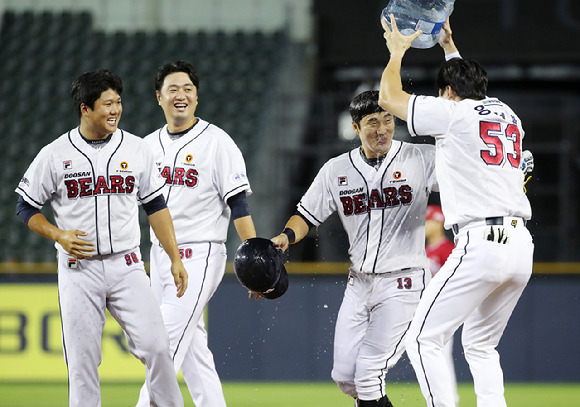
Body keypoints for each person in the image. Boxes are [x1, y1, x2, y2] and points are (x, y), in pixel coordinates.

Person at [379, 16, 534, 407]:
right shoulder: (507, 113)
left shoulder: (453, 114)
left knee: (421, 339)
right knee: (481, 346)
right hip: (521, 246)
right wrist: (450, 47)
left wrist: (397, 52)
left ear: (447, 92)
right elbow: (468, 88)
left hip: (482, 242)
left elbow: (388, 98)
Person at [15, 69, 188, 407]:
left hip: (127, 265)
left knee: (157, 347)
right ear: (85, 109)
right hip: (79, 269)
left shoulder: (137, 149)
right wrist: (58, 234)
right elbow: (25, 206)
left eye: (118, 102)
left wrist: (175, 257)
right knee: (82, 362)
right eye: (107, 103)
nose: (115, 110)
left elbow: (156, 206)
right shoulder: (55, 154)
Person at [271, 90, 437, 407]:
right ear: (356, 127)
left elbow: (466, 174)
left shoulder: (420, 158)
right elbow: (306, 215)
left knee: (369, 373)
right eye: (372, 121)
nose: (382, 129)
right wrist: (287, 236)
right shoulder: (336, 170)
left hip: (403, 283)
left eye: (388, 119)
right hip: (358, 283)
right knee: (346, 377)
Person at [135, 60, 256, 407]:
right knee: (193, 352)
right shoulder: (146, 147)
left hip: (200, 253)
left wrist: (253, 259)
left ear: (197, 98)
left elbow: (239, 206)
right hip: (160, 255)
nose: (181, 95)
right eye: (173, 89)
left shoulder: (217, 142)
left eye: (188, 89)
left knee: (164, 345)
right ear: (159, 97)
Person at [424, 204, 458, 407]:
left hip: (444, 308)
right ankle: (445, 398)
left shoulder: (449, 250)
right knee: (435, 354)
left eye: (428, 220)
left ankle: (450, 399)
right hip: (429, 309)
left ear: (438, 222)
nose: (425, 225)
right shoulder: (426, 251)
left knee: (441, 355)